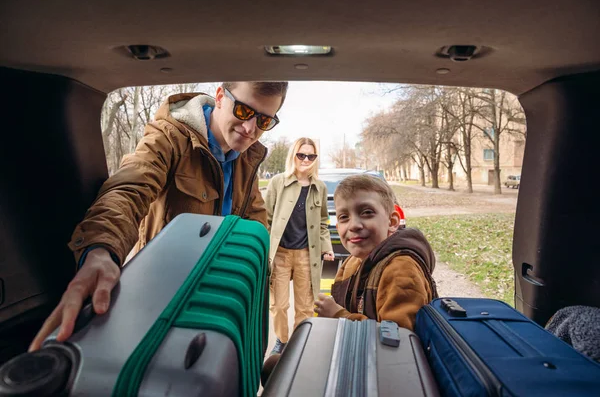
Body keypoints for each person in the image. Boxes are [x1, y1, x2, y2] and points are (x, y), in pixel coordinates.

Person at [29, 81, 289, 351]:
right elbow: (129, 188)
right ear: (221, 96)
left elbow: (255, 230)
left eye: (263, 121)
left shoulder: (248, 161)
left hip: (217, 302)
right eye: (245, 112)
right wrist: (101, 250)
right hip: (162, 302)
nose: (250, 129)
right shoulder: (169, 137)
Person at [314, 174, 438, 330]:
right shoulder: (351, 262)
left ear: (392, 222)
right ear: (338, 227)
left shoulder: (400, 269)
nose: (354, 225)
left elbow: (399, 339)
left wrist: (338, 315)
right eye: (344, 217)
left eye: (366, 212)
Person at [264, 137, 334, 355]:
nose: (306, 159)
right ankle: (282, 340)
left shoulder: (319, 187)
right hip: (281, 255)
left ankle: (298, 343)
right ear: (293, 155)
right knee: (279, 305)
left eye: (310, 156)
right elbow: (266, 218)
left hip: (306, 255)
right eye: (301, 154)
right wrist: (265, 249)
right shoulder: (277, 182)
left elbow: (323, 222)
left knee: (305, 307)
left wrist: (327, 246)